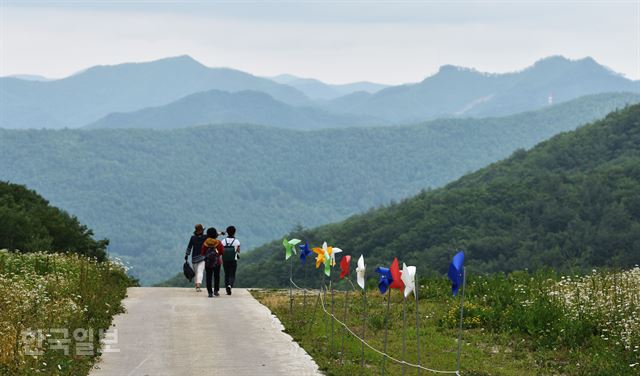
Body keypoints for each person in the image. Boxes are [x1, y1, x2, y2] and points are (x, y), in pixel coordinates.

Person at [201, 227, 224, 298]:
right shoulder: (218, 243)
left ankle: (210, 292)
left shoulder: (205, 243)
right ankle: (216, 291)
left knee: (208, 277)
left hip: (208, 263)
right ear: (215, 234)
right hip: (217, 262)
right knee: (216, 276)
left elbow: (202, 253)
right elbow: (222, 252)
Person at [184, 224, 207, 292]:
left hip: (194, 258)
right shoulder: (205, 237)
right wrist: (221, 233)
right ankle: (198, 285)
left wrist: (187, 255)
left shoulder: (193, 238)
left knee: (196, 272)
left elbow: (189, 247)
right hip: (202, 257)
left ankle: (197, 286)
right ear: (202, 231)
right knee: (200, 271)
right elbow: (214, 234)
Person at [221, 226, 240, 295]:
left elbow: (221, 250)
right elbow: (238, 251)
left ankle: (227, 288)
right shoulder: (236, 241)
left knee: (226, 274)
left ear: (227, 232)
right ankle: (230, 285)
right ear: (234, 232)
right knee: (232, 274)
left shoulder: (223, 241)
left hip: (225, 259)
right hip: (233, 260)